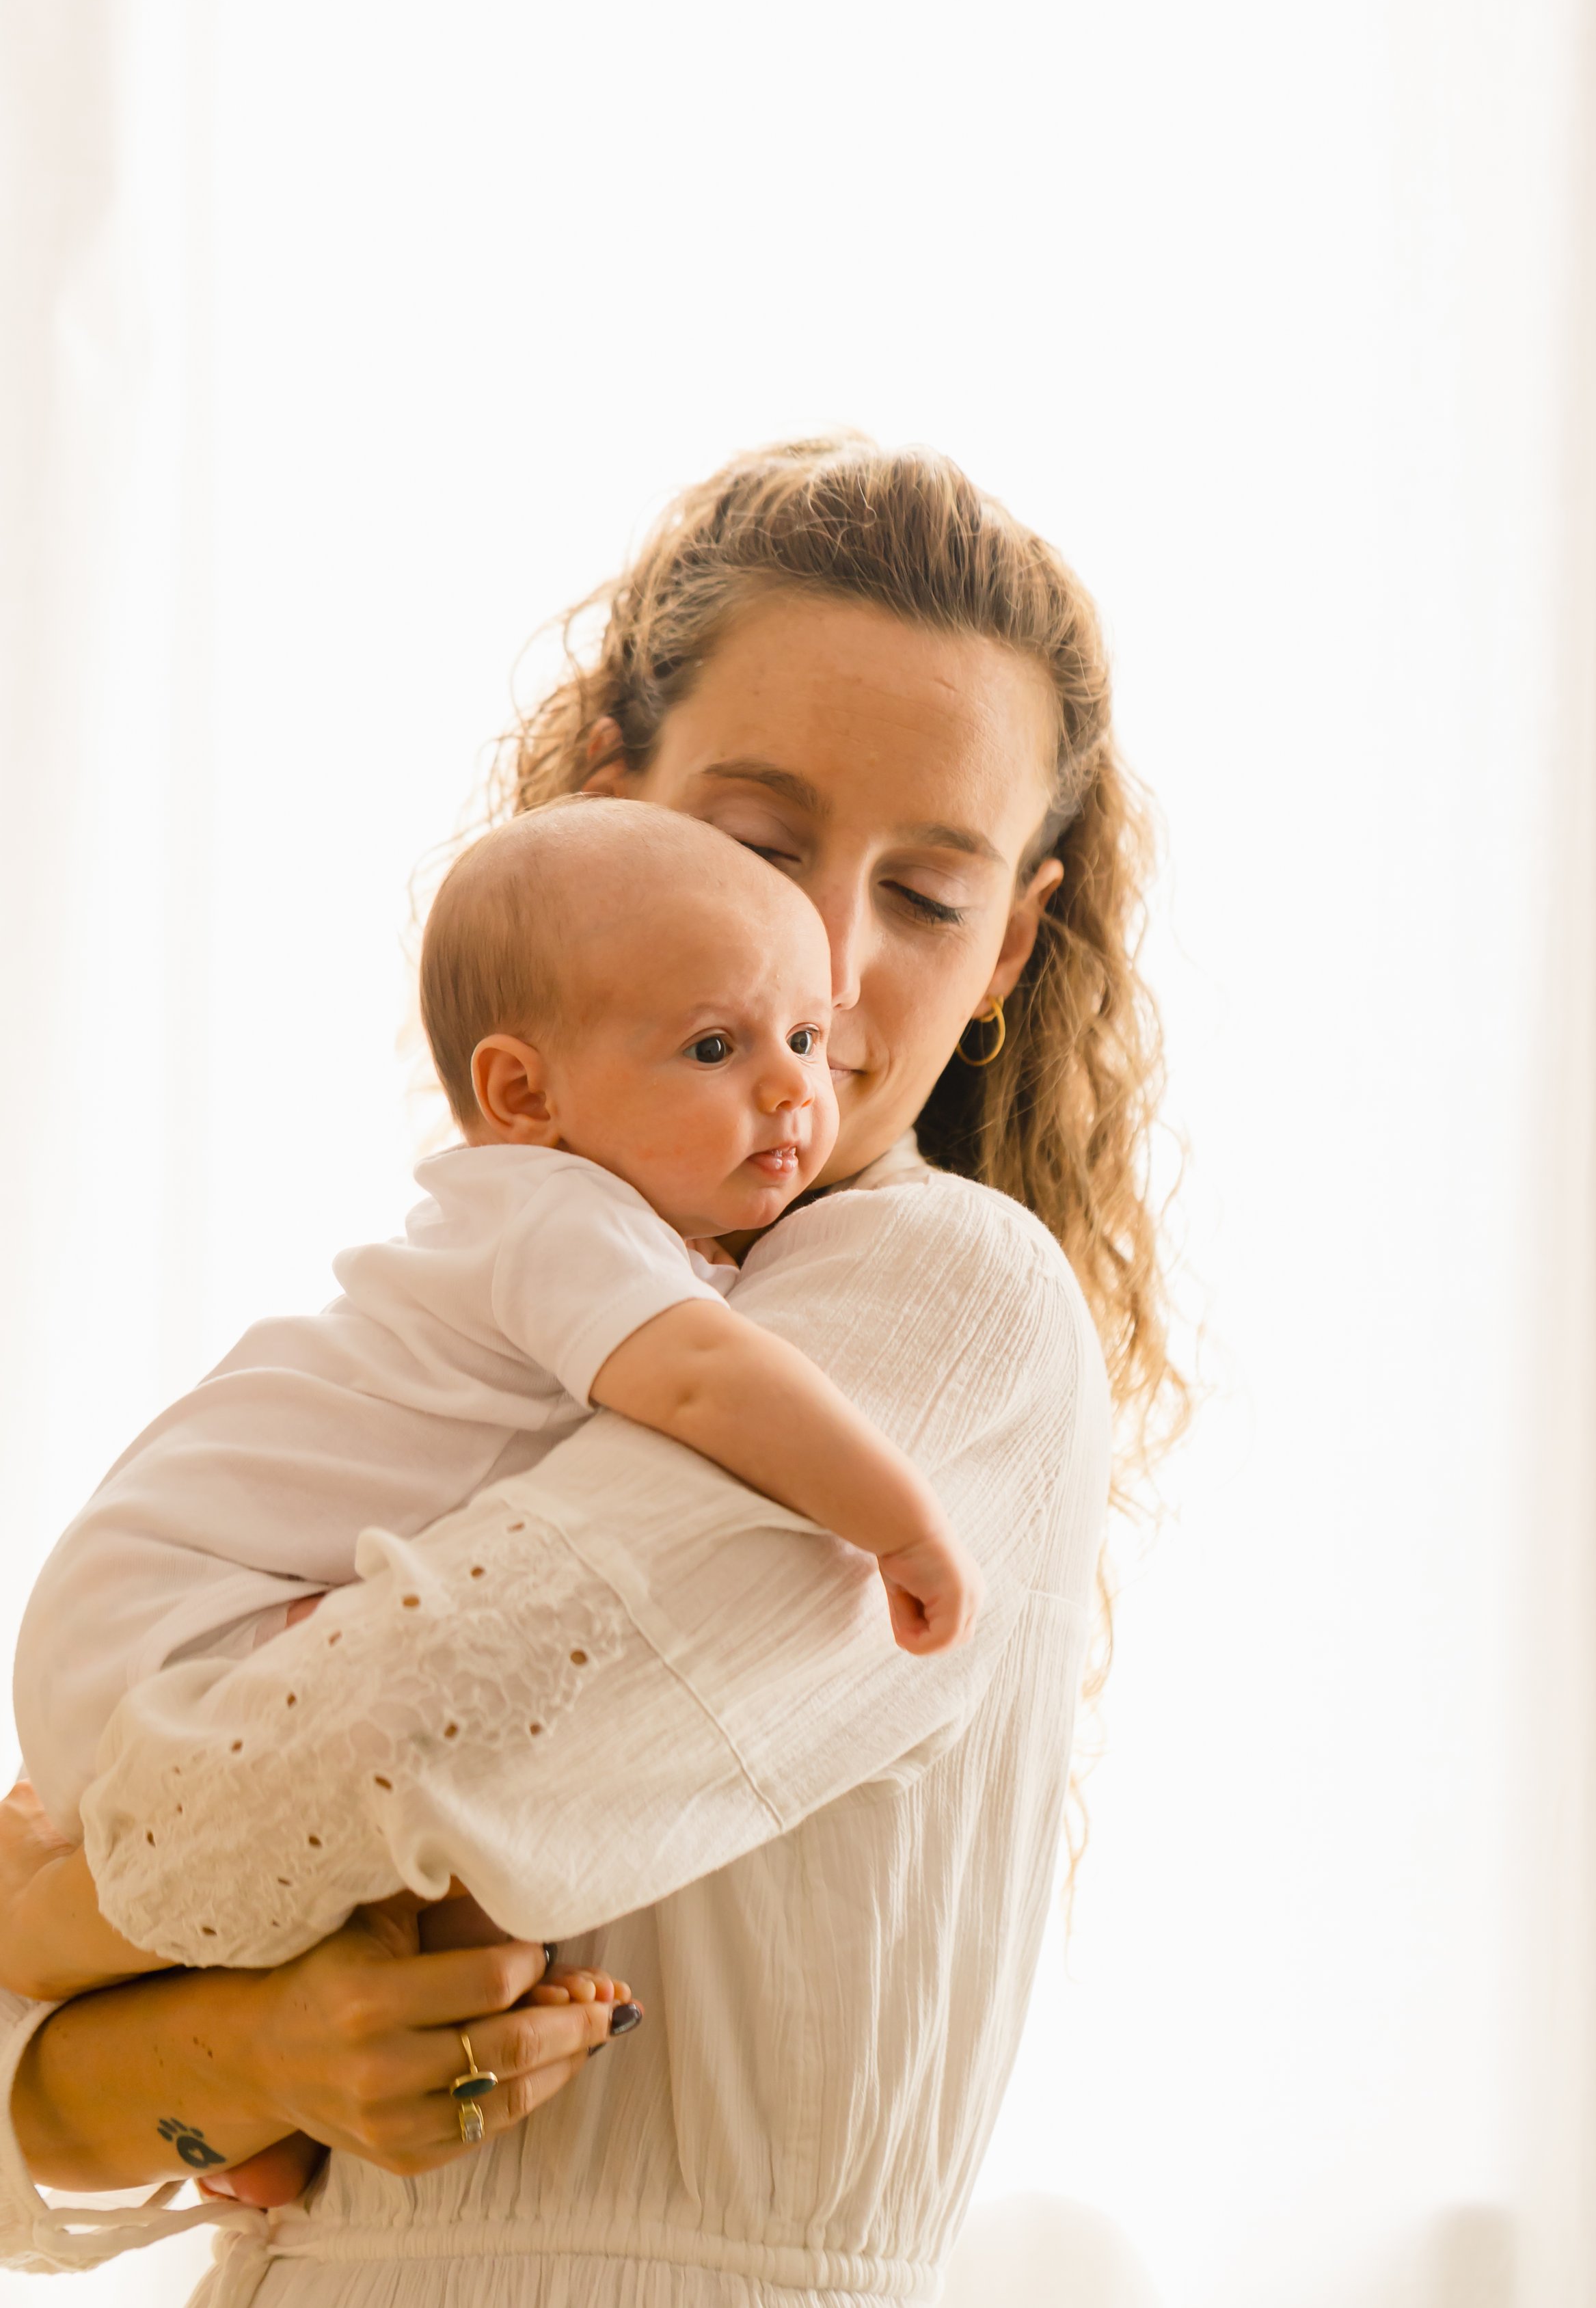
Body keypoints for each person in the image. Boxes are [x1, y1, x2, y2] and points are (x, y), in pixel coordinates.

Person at [0, 437, 1182, 2306]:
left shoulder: (944, 1297)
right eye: (761, 842)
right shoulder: (496, 1310)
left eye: (932, 893)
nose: (833, 964)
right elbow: (26, 2133)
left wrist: (43, 1911)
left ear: (1015, 941)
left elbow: (377, 1757)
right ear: (596, 796)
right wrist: (250, 2051)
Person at [10, 800, 979, 1894]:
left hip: (120, 1638)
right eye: (716, 1045)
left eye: (805, 1035)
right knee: (431, 1731)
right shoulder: (559, 1217)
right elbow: (711, 1384)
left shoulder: (581, 1227)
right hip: (163, 1620)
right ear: (524, 1094)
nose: (795, 1086)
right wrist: (900, 1523)